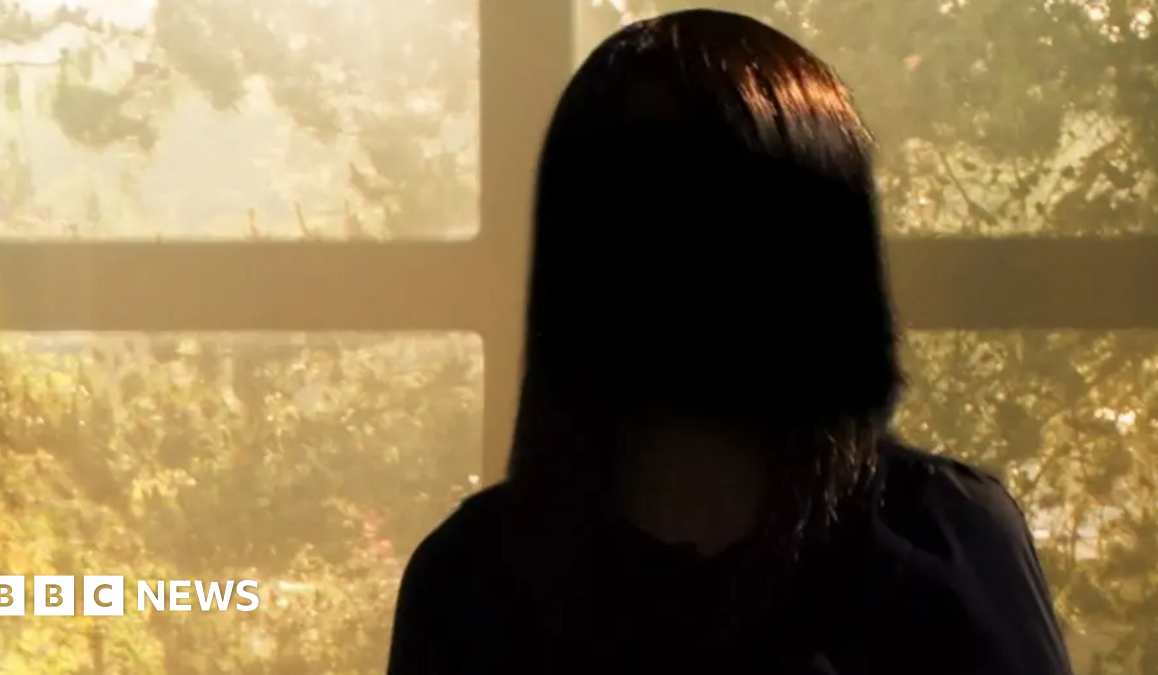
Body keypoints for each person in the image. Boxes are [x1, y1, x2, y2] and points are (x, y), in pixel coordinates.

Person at [388, 9, 1073, 675]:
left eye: (734, 216)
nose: (691, 260)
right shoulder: (469, 583)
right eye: (642, 206)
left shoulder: (950, 537)